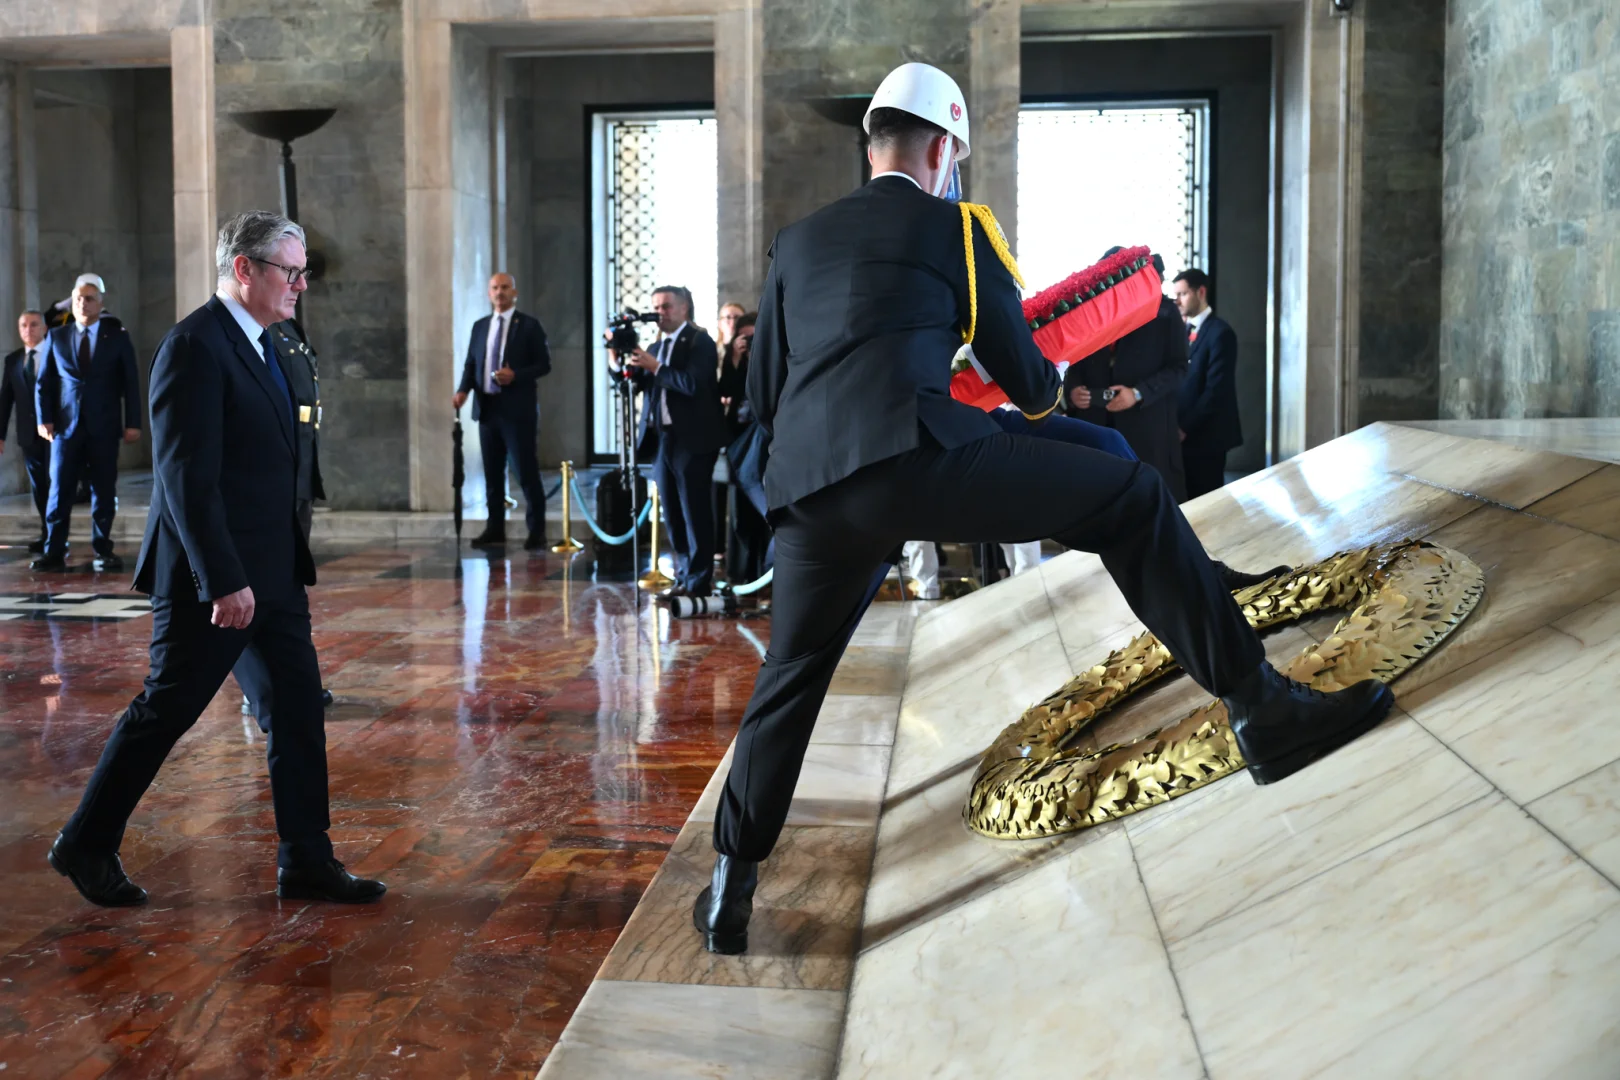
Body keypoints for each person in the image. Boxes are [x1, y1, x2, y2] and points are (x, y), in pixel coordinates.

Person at [693, 62, 1393, 955]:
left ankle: (730, 889)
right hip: (917, 460)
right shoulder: (956, 227)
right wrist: (1034, 374)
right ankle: (1262, 708)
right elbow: (1026, 383)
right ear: (944, 149)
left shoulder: (795, 243)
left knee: (789, 679)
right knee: (1134, 492)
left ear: (873, 144)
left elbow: (762, 391)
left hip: (811, 494)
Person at [47, 210, 384, 908]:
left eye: (301, 273)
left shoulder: (272, 343)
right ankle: (85, 841)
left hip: (275, 573)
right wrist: (223, 579)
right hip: (216, 580)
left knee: (296, 711)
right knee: (166, 709)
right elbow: (185, 477)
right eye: (290, 272)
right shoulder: (195, 345)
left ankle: (307, 858)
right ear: (245, 270)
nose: (300, 285)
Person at [236, 316, 335, 729]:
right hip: (278, 472)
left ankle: (291, 680)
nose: (300, 282)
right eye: (291, 271)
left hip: (300, 466)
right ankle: (259, 688)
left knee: (286, 586)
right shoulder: (255, 332)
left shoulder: (290, 328)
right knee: (261, 586)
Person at [618, 285, 728, 598]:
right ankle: (683, 576)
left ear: (684, 308)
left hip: (692, 440)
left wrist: (657, 367)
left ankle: (699, 581)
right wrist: (620, 360)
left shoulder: (699, 340)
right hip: (661, 439)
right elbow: (636, 384)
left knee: (694, 511)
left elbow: (692, 384)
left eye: (665, 306)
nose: (659, 313)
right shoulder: (656, 345)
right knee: (673, 513)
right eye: (655, 306)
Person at [31, 275, 142, 573]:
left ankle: (103, 550)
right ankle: (54, 550)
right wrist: (45, 419)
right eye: (79, 297)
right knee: (59, 490)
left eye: (90, 298)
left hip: (104, 426)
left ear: (101, 303)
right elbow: (44, 384)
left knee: (103, 490)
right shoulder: (58, 336)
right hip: (65, 428)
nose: (83, 302)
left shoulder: (117, 336)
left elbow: (130, 383)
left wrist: (133, 422)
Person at [1063, 252, 1188, 500]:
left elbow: (1179, 368)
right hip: (1095, 426)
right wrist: (1073, 391)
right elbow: (1074, 363)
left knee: (1145, 502)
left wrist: (1138, 393)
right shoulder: (1090, 309)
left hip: (1145, 428)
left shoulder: (1163, 312)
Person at [453, 272, 553, 550]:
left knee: (525, 472)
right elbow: (472, 364)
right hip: (488, 409)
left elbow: (544, 365)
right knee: (492, 473)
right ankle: (494, 528)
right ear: (489, 293)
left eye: (505, 287)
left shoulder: (529, 326)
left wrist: (516, 375)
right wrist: (463, 391)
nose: (500, 292)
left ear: (514, 292)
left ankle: (537, 531)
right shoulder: (480, 326)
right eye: (495, 288)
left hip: (517, 411)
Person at [1173, 268, 1243, 499]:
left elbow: (1216, 390)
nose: (1178, 300)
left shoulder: (1221, 333)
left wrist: (1185, 427)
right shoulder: (1180, 331)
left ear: (1200, 292)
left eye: (1183, 294)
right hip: (1181, 435)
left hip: (1207, 437)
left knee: (1206, 499)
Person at [719, 313, 770, 585]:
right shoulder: (734, 363)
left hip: (765, 442)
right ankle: (742, 571)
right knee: (740, 511)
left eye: (754, 337)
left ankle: (766, 569)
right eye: (745, 338)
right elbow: (726, 390)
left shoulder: (773, 362)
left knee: (763, 507)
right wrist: (737, 359)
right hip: (738, 441)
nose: (750, 342)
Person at [1, 310, 53, 553]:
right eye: (23, 325)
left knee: (56, 485)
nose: (28, 330)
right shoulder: (13, 360)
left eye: (33, 325)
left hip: (55, 433)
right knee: (39, 486)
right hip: (28, 435)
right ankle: (47, 533)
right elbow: (5, 400)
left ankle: (57, 534)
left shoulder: (56, 353)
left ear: (44, 328)